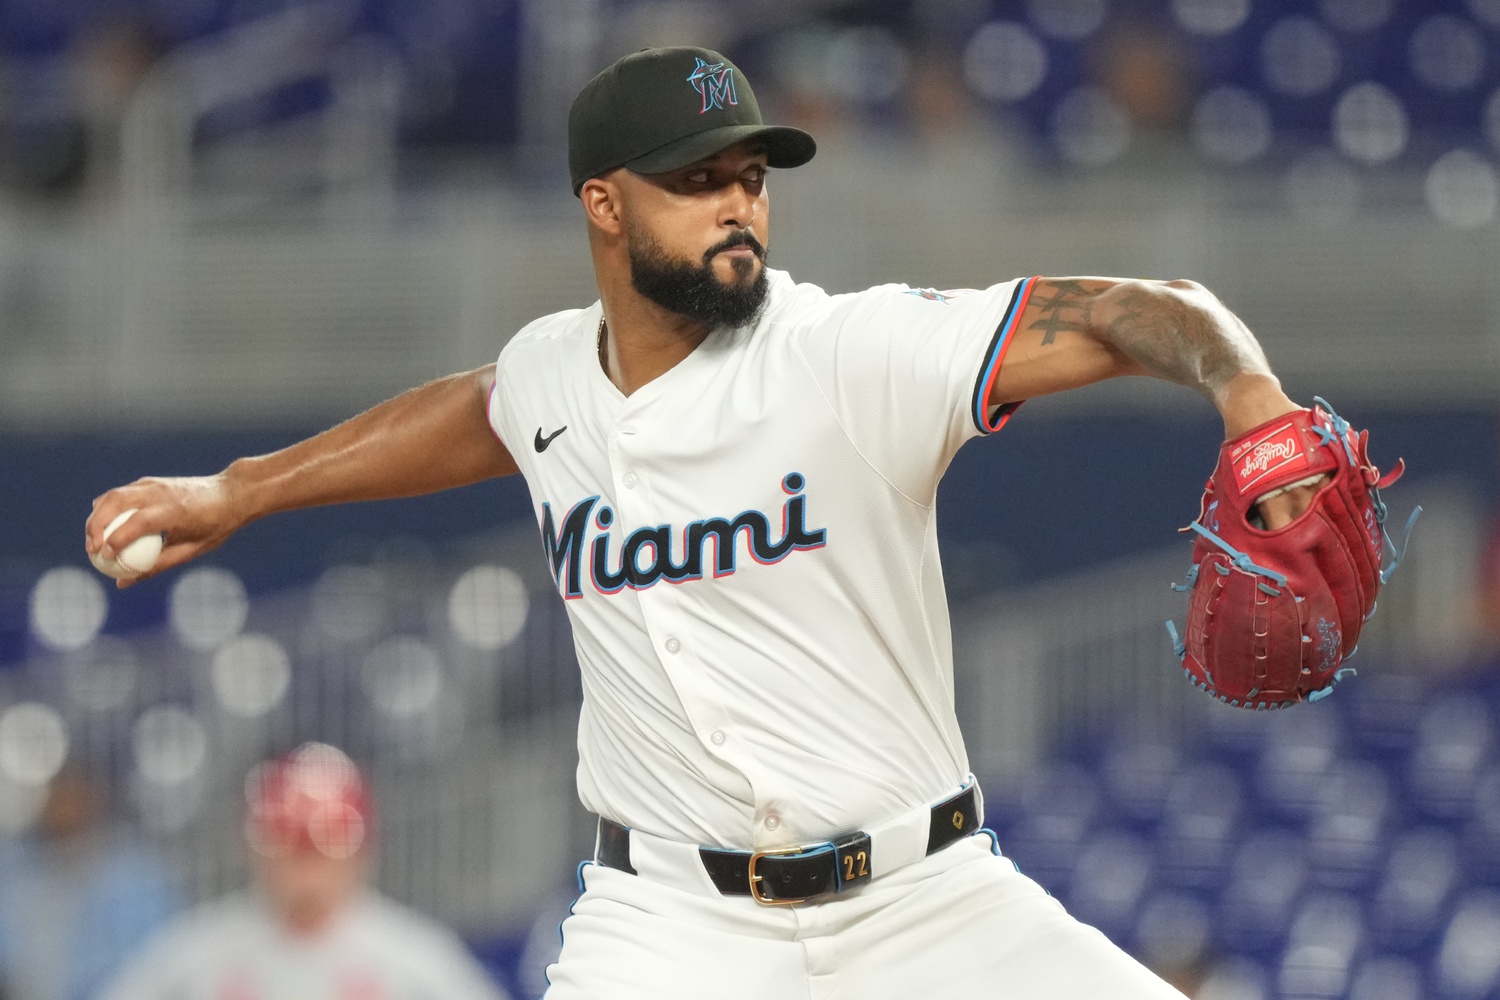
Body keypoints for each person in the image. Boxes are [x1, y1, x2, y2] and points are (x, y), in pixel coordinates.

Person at [87, 46, 1325, 999]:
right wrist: (240, 490)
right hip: (670, 924)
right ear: (604, 204)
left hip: (926, 901)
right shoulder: (553, 375)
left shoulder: (848, 353)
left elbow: (1136, 307)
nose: (738, 206)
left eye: (750, 178)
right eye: (696, 182)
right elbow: (474, 411)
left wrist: (1247, 393)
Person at [99, 743, 508, 1000]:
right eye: (291, 847)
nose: (306, 873)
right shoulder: (193, 956)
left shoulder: (414, 958)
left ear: (361, 853)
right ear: (255, 849)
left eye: (320, 851)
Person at [0, 766, 179, 1000]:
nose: (63, 806)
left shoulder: (137, 878)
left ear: (95, 799)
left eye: (73, 794)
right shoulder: (20, 875)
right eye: (57, 795)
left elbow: (159, 958)